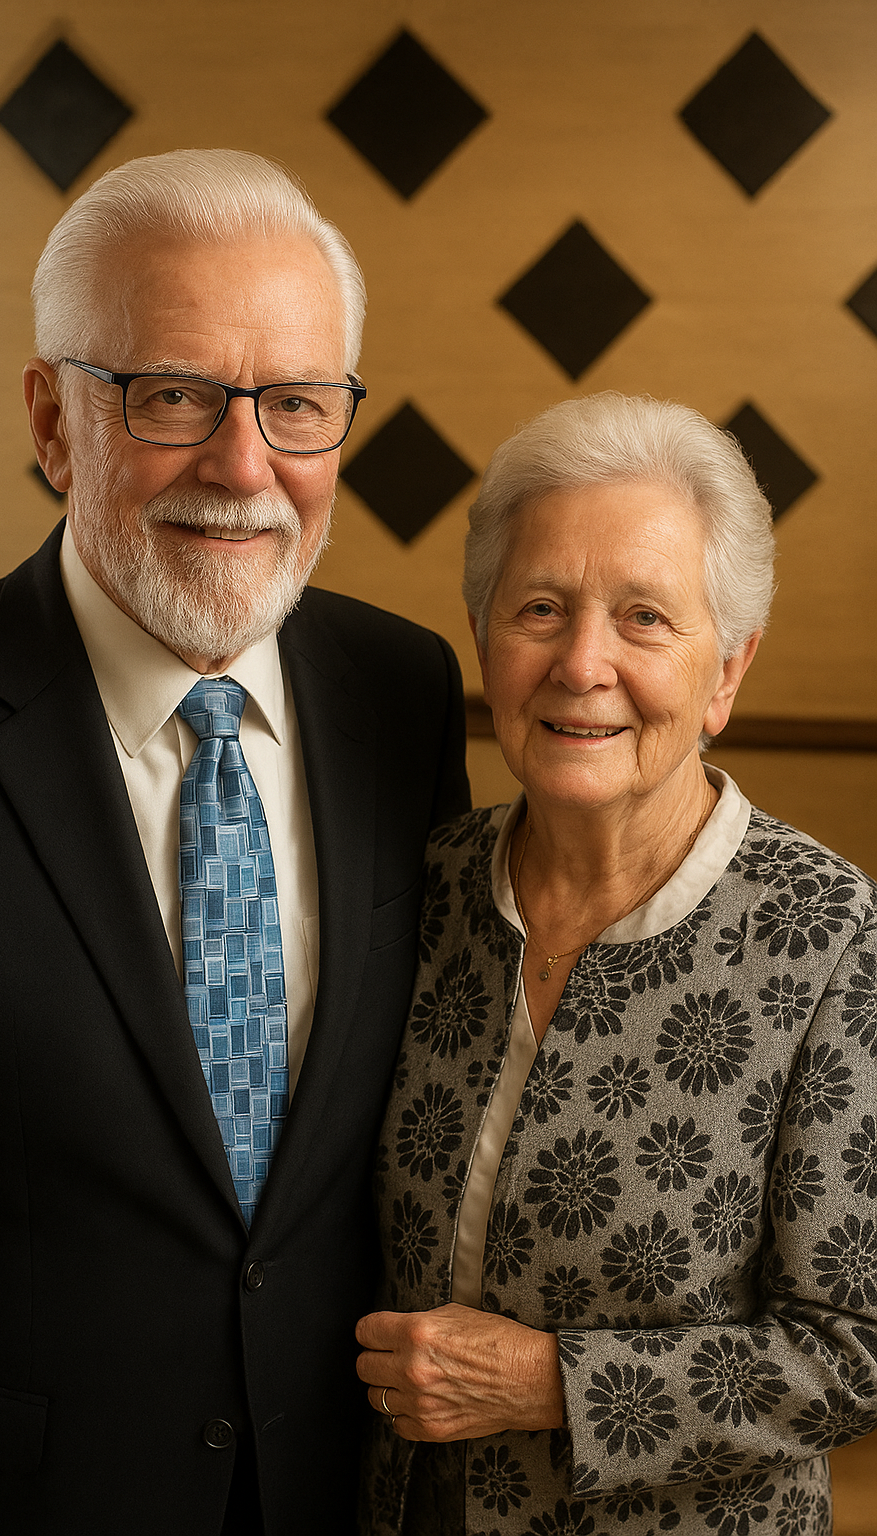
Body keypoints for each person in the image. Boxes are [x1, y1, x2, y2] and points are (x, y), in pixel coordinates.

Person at [0, 148, 469, 1535]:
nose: (245, 468)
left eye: (297, 404)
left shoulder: (403, 691)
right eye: (174, 395)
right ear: (53, 419)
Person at [357, 392, 877, 1535]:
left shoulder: (830, 936)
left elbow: (855, 1349)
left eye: (644, 618)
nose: (581, 662)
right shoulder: (416, 888)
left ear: (726, 671)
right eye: (540, 608)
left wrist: (552, 1385)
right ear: (485, 637)